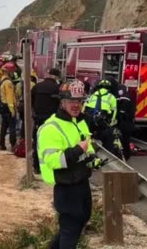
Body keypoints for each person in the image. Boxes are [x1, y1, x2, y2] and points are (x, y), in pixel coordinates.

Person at [37, 80, 106, 248]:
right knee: (70, 229)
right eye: (72, 101)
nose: (76, 105)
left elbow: (86, 147)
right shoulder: (51, 128)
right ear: (62, 102)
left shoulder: (79, 122)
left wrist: (92, 160)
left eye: (80, 101)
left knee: (80, 220)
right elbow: (53, 160)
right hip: (65, 185)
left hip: (81, 181)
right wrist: (77, 150)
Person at [31, 68, 61, 174]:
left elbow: (29, 101)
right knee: (51, 144)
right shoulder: (56, 88)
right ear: (56, 77)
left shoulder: (37, 86)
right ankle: (49, 166)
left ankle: (36, 166)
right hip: (51, 121)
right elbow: (60, 105)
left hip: (38, 120)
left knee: (37, 142)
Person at [83, 79, 121, 159]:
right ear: (109, 88)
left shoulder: (92, 95)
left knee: (87, 138)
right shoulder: (111, 97)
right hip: (102, 120)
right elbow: (114, 111)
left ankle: (88, 156)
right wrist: (111, 122)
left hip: (89, 119)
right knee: (108, 137)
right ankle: (108, 157)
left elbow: (84, 108)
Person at [0, 63, 17, 151]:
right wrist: (12, 109)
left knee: (4, 126)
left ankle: (2, 145)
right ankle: (13, 145)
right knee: (12, 127)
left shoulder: (2, 80)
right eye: (12, 71)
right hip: (8, 107)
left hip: (2, 105)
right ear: (9, 71)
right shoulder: (8, 83)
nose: (13, 73)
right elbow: (9, 97)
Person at [116, 84, 136, 160]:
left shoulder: (119, 97)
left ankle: (124, 155)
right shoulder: (129, 97)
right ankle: (126, 155)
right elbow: (133, 110)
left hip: (123, 123)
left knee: (123, 140)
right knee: (126, 140)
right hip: (128, 123)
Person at [16, 70, 37, 139]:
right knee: (28, 121)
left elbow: (17, 94)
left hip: (21, 105)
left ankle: (21, 134)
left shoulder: (19, 84)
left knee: (22, 120)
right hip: (29, 105)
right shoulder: (33, 84)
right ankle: (27, 136)